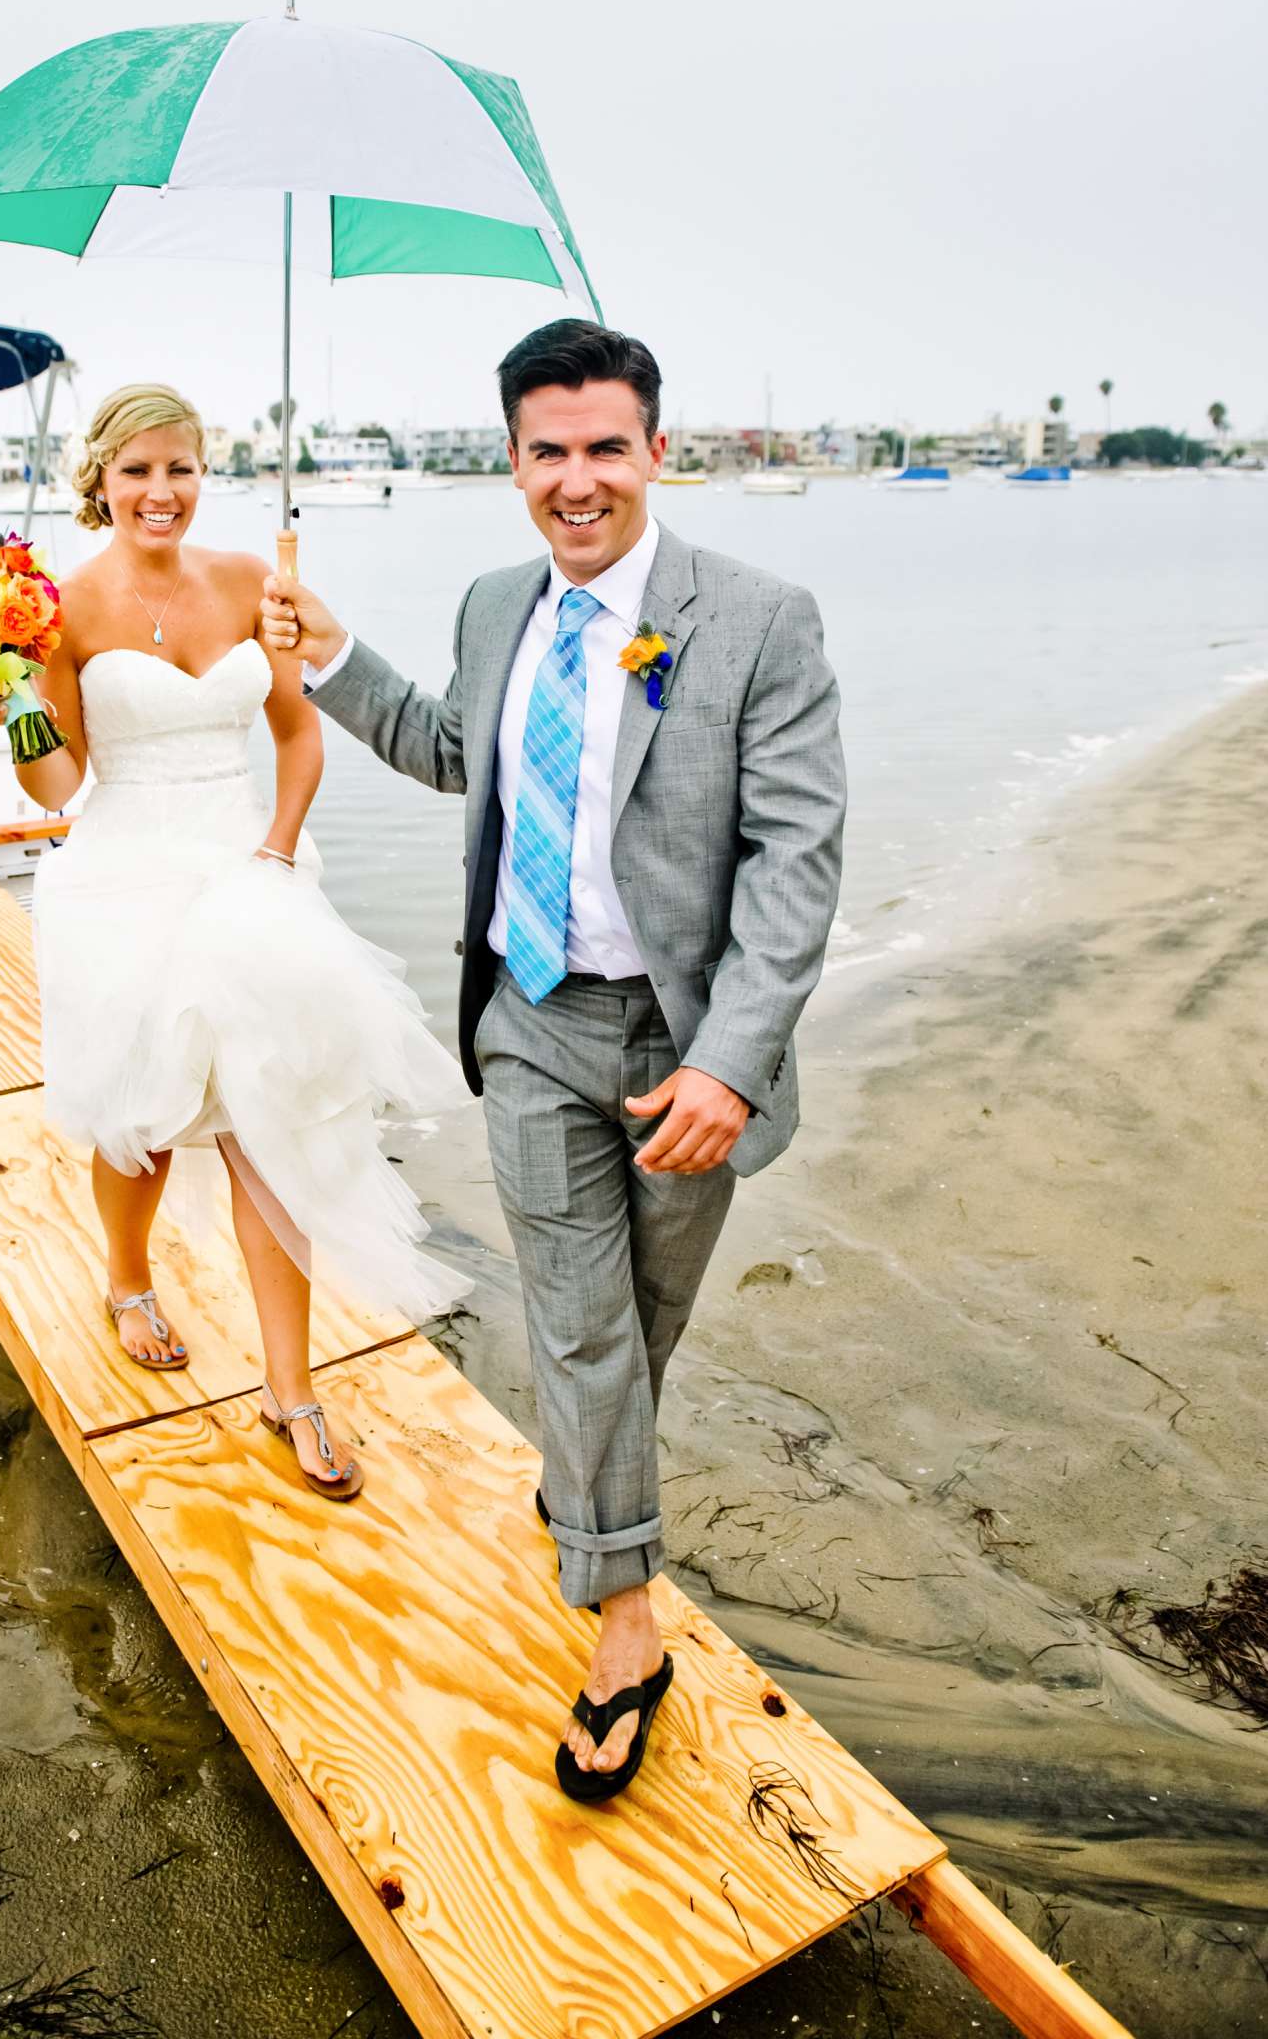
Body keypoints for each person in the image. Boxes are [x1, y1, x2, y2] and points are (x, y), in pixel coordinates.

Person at [262, 319, 846, 1800]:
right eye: (547, 451)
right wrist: (328, 652)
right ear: (510, 459)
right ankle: (627, 1624)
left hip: (682, 1045)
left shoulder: (761, 618)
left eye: (604, 448)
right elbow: (457, 752)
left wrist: (728, 1065)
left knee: (643, 1322)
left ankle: (585, 1495)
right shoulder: (489, 602)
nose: (575, 480)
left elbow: (795, 860)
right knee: (581, 1324)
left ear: (655, 448)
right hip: (528, 1019)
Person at [0, 382, 468, 1499]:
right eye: (141, 470)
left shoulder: (257, 582)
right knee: (141, 1122)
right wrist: (13, 696)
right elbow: (58, 784)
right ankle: (126, 1273)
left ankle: (292, 1390)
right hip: (122, 873)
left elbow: (299, 738)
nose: (163, 491)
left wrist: (277, 853)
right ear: (101, 480)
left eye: (183, 468)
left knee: (273, 1122)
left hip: (251, 865)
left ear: (205, 474)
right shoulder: (59, 605)